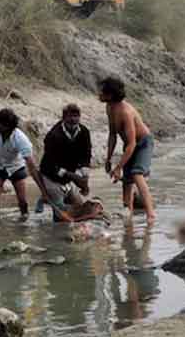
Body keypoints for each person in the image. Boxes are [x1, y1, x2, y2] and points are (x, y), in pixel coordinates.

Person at [100, 76, 157, 225]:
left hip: (143, 142)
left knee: (137, 174)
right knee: (126, 181)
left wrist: (118, 167)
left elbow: (132, 144)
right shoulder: (109, 107)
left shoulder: (125, 112)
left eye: (102, 92)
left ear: (110, 95)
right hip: (130, 144)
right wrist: (108, 158)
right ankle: (128, 212)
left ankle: (151, 215)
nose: (99, 94)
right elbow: (112, 134)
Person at [37, 104, 92, 222]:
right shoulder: (53, 136)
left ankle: (46, 198)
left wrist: (85, 177)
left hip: (68, 176)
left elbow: (86, 155)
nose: (73, 119)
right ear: (63, 117)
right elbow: (51, 165)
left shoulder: (84, 131)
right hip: (51, 175)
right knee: (60, 217)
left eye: (76, 116)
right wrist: (74, 177)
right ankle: (47, 197)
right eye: (70, 116)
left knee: (80, 208)